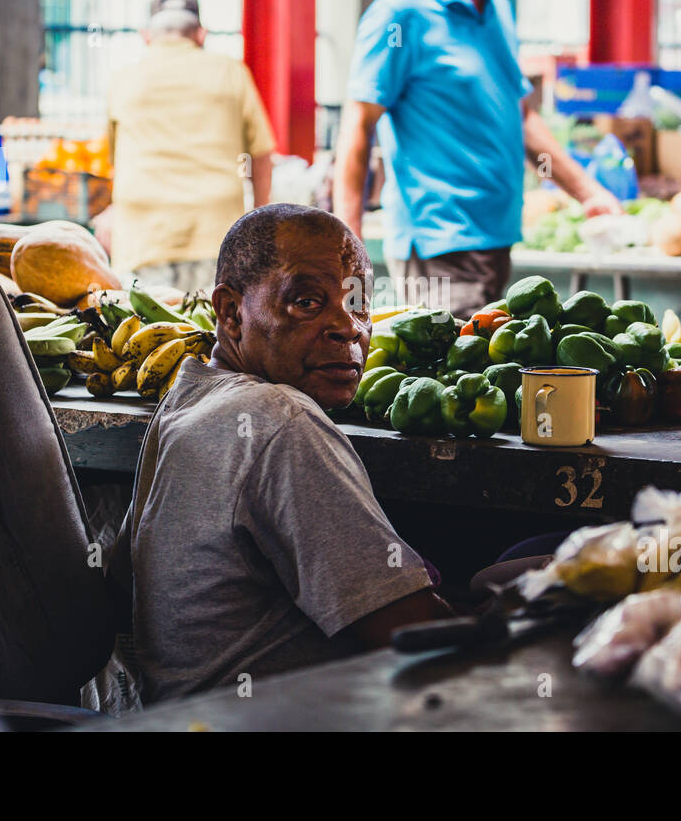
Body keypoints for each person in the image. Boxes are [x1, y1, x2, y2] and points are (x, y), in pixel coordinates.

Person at [109, 204, 450, 702]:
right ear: (230, 312)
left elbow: (122, 588)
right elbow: (416, 639)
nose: (349, 328)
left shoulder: (189, 397)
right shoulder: (278, 419)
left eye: (358, 304)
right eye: (308, 302)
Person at [334, 0, 621, 319]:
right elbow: (358, 126)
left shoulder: (498, 10)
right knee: (447, 383)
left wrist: (588, 192)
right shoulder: (402, 14)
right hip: (439, 246)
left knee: (490, 379)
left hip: (497, 239)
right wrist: (347, 252)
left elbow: (520, 115)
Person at [106, 0, 276, 292]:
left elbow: (112, 157)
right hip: (217, 233)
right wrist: (258, 218)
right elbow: (261, 154)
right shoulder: (231, 72)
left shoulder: (124, 79)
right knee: (214, 332)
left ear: (147, 36)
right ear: (201, 34)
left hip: (144, 234)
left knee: (143, 336)